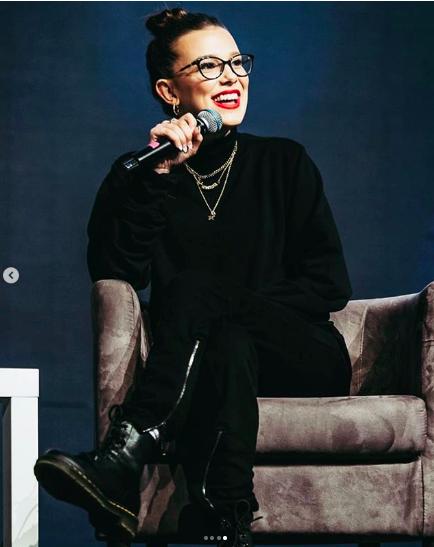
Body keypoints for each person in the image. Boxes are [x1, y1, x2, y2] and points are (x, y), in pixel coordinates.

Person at [34, 7, 353, 547]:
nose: (231, 78)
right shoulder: (142, 174)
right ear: (169, 91)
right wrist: (158, 176)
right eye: (208, 67)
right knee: (226, 343)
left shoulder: (284, 162)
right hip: (208, 361)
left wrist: (227, 302)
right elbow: (116, 274)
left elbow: (328, 285)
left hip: (301, 354)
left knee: (197, 292)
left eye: (237, 63)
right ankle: (227, 521)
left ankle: (128, 450)